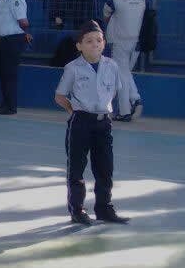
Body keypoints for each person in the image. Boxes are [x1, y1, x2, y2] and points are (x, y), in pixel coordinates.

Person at [54, 20, 131, 226]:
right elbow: (60, 96)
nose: (94, 44)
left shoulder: (112, 66)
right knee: (77, 168)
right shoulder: (73, 68)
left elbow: (114, 90)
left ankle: (104, 208)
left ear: (104, 43)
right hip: (81, 122)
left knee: (105, 167)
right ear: (79, 46)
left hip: (103, 123)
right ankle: (77, 209)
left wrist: (102, 108)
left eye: (98, 40)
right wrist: (74, 111)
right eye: (88, 41)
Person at [103, 0, 145, 122]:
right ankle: (135, 99)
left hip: (118, 41)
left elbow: (106, 16)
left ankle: (125, 111)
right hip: (134, 40)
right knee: (126, 72)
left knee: (121, 75)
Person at [0, 0, 30, 115]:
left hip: (12, 40)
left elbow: (23, 21)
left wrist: (25, 33)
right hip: (5, 40)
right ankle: (6, 103)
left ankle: (10, 106)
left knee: (9, 74)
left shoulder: (16, 0)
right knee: (4, 73)